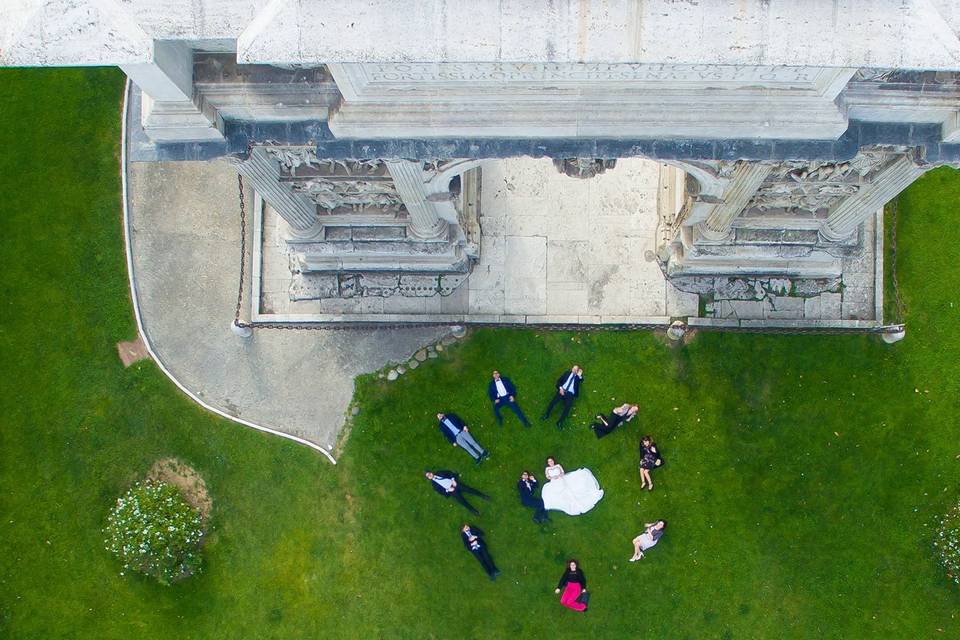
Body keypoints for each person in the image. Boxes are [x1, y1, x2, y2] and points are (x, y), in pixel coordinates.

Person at [426, 470, 490, 515]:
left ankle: (483, 496)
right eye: (428, 476)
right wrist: (448, 490)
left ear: (431, 472)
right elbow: (441, 492)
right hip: (451, 490)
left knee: (469, 489)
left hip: (455, 484)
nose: (430, 475)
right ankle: (473, 510)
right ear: (428, 478)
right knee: (462, 501)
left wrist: (453, 480)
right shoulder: (434, 485)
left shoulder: (439, 472)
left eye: (429, 473)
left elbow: (449, 473)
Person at [541, 365, 583, 430]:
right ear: (572, 368)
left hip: (570, 394)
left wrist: (579, 375)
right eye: (573, 368)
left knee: (567, 408)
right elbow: (558, 381)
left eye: (576, 370)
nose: (574, 370)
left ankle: (559, 422)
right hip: (562, 390)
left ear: (577, 371)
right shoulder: (567, 373)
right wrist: (561, 389)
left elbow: (581, 379)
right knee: (552, 402)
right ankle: (546, 415)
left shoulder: (577, 378)